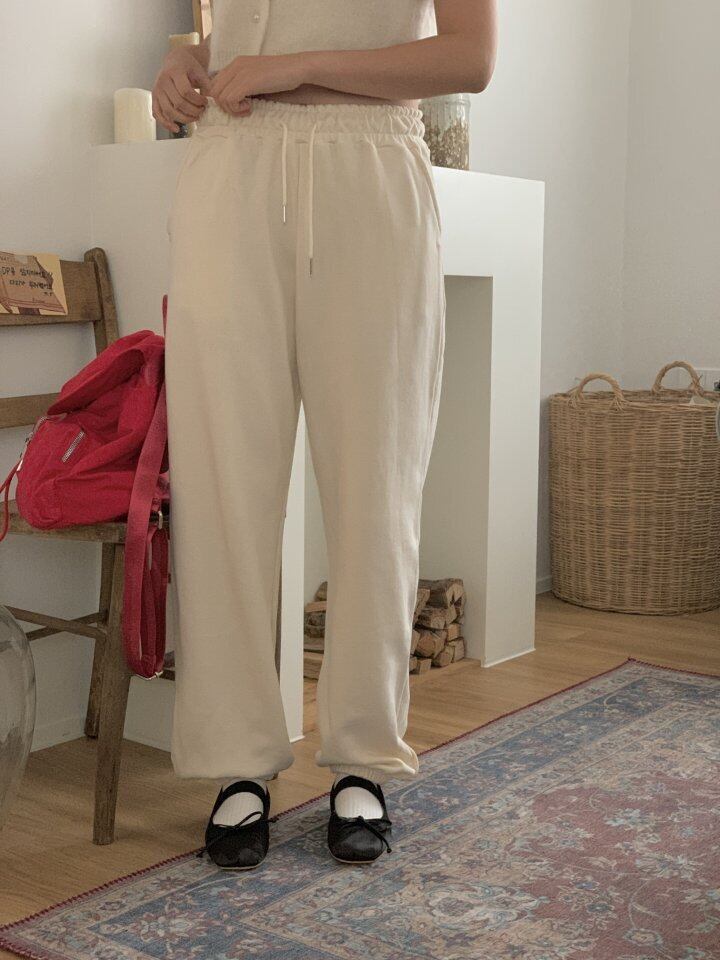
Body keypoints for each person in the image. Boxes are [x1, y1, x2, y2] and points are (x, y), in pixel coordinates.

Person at [153, 0, 497, 869]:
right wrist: (192, 61)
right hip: (229, 166)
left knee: (376, 482)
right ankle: (236, 761)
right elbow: (251, 28)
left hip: (368, 167)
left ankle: (362, 757)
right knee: (223, 483)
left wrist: (294, 69)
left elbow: (470, 57)